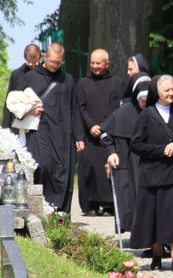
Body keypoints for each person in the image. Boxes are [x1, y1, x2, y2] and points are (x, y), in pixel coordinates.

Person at [130, 74, 173, 273]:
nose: (171, 93)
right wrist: (161, 150)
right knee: (155, 217)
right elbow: (136, 144)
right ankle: (157, 256)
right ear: (156, 92)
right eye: (166, 90)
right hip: (153, 174)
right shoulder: (146, 115)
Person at [18, 42, 85, 213]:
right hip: (40, 131)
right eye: (53, 61)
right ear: (45, 57)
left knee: (64, 172)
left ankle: (60, 216)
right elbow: (16, 103)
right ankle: (41, 211)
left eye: (59, 63)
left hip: (63, 134)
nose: (55, 65)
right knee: (43, 166)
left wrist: (79, 136)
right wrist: (31, 110)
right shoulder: (31, 78)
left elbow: (75, 108)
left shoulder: (68, 80)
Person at [75, 49, 126, 216]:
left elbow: (119, 106)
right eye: (92, 63)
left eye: (98, 63)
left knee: (109, 166)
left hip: (110, 132)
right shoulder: (83, 83)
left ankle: (110, 204)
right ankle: (91, 204)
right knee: (89, 167)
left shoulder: (117, 83)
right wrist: (90, 125)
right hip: (90, 134)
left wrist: (107, 125)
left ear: (107, 64)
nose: (95, 66)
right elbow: (80, 107)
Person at [102, 71, 152, 231]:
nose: (144, 103)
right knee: (128, 197)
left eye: (147, 100)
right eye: (142, 100)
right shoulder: (123, 111)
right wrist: (111, 152)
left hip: (149, 160)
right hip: (127, 160)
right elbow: (105, 133)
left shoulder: (156, 111)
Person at [2, 44, 41, 129]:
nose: (33, 66)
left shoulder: (45, 74)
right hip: (21, 121)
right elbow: (9, 100)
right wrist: (6, 126)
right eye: (30, 63)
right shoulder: (17, 75)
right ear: (25, 57)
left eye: (36, 63)